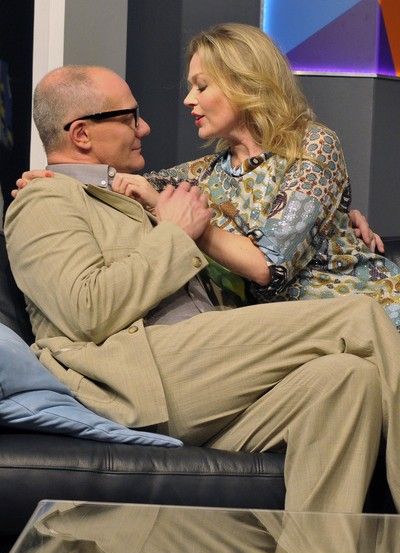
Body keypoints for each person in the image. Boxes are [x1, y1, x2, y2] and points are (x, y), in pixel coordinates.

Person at [5, 64, 400, 517]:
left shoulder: (133, 193)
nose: (144, 128)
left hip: (201, 378)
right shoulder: (44, 200)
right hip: (142, 376)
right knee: (356, 316)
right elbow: (87, 310)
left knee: (348, 380)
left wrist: (340, 223)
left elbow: (261, 217)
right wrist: (175, 234)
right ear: (81, 134)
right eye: (130, 117)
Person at [107, 23, 400, 327]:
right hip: (290, 332)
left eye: (202, 86)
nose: (188, 99)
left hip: (369, 314)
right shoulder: (204, 173)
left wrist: (187, 221)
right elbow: (120, 185)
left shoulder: (313, 145)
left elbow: (268, 266)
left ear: (245, 84)